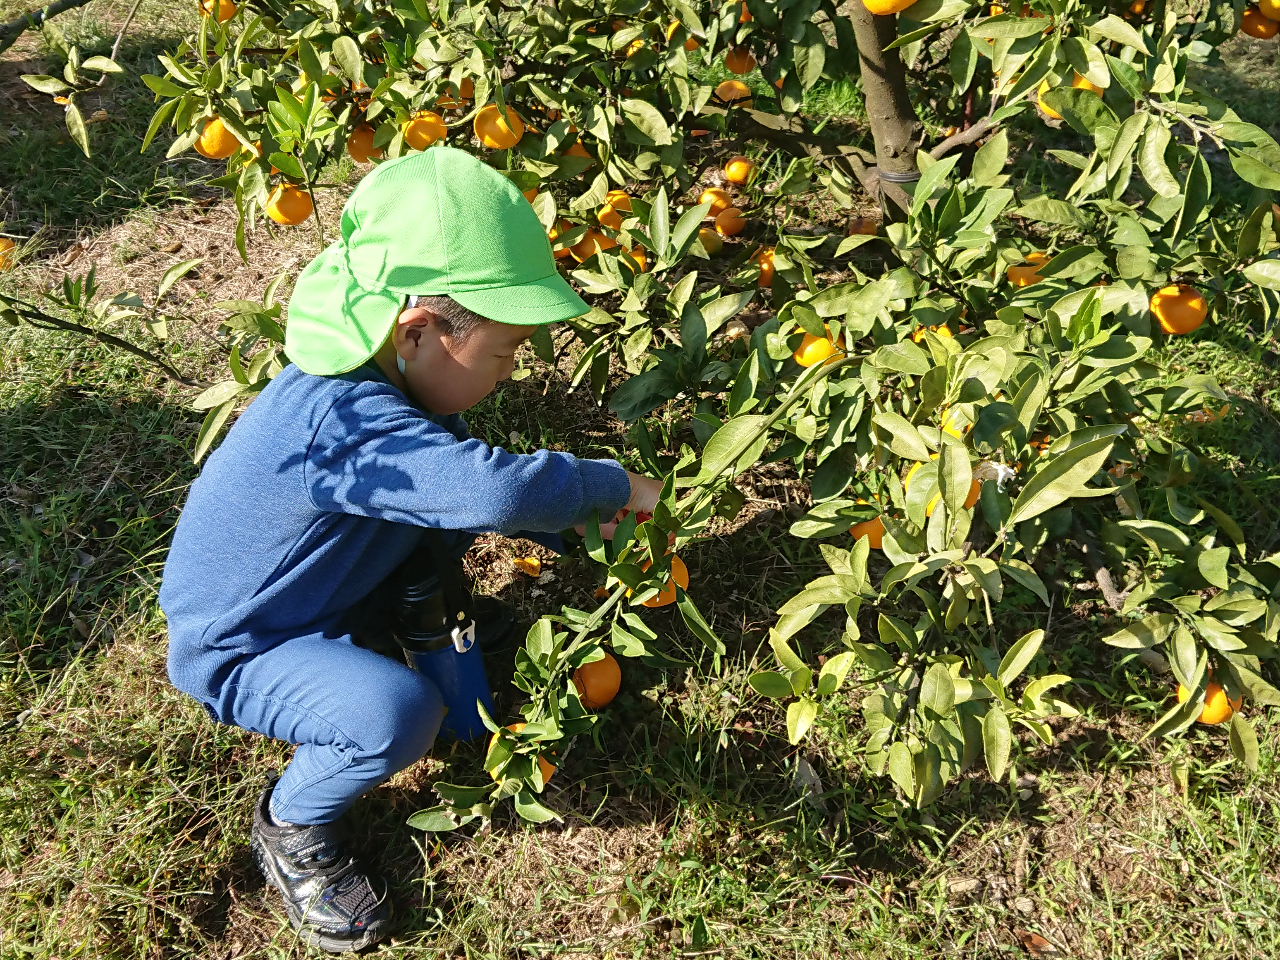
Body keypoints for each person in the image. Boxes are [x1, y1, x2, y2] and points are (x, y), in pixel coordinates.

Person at [158, 148, 661, 952]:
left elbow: (462, 491)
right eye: (503, 353)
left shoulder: (387, 381)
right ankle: (293, 821)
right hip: (246, 643)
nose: (509, 373)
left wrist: (570, 527)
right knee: (393, 716)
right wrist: (603, 485)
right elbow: (493, 491)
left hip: (325, 590)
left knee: (443, 518)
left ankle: (392, 626)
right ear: (418, 332)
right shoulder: (342, 422)